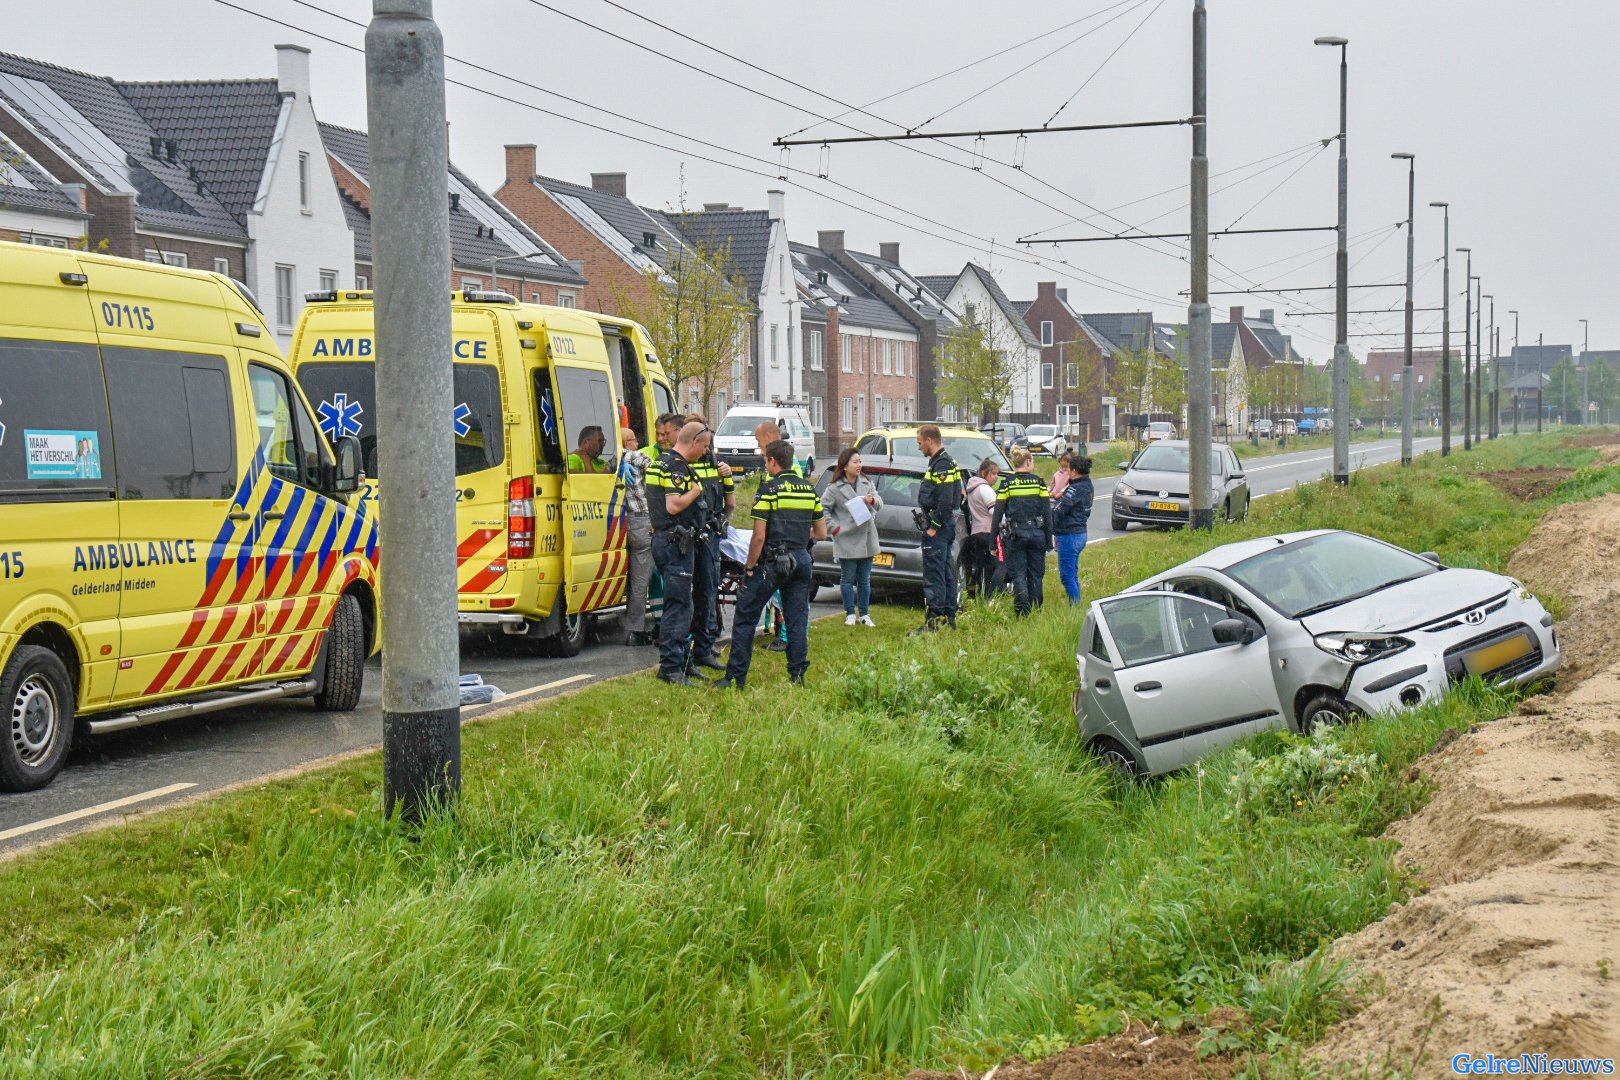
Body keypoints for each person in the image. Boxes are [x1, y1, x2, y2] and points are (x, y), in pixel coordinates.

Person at [713, 439, 826, 690]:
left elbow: (759, 536)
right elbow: (820, 533)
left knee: (745, 617)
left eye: (765, 460)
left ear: (772, 461)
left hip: (772, 563)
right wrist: (796, 535)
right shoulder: (809, 490)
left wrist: (750, 567)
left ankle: (735, 678)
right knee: (797, 619)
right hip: (801, 560)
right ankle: (797, 675)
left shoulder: (769, 491)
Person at [645, 421, 711, 686]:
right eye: (704, 446)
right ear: (693, 441)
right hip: (675, 542)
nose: (705, 452)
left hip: (668, 540)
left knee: (685, 603)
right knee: (679, 605)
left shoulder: (661, 462)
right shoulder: (675, 467)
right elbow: (673, 506)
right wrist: (696, 490)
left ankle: (684, 661)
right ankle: (671, 667)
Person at [686, 415, 734, 676]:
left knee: (706, 593)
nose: (706, 449)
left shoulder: (718, 467)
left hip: (709, 537)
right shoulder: (682, 466)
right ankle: (690, 651)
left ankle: (703, 648)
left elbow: (731, 502)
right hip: (688, 536)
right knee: (688, 596)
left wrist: (721, 524)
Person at [822, 447, 883, 626]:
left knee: (865, 579)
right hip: (846, 537)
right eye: (855, 462)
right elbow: (823, 508)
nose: (858, 465)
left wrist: (872, 501)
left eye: (860, 461)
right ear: (845, 465)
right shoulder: (834, 488)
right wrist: (834, 528)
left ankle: (864, 613)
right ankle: (849, 612)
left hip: (866, 537)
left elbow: (880, 502)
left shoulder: (867, 482)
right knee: (848, 578)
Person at [911, 424, 962, 633]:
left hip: (939, 528)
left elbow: (946, 500)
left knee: (934, 574)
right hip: (945, 525)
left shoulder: (942, 465)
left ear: (930, 441)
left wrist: (934, 526)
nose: (919, 447)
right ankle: (949, 618)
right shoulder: (945, 461)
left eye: (920, 442)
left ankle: (934, 621)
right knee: (946, 571)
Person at [993, 446, 1052, 617]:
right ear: (1028, 462)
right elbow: (1047, 514)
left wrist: (992, 543)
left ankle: (1022, 612)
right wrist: (1049, 540)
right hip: (1037, 535)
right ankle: (1037, 610)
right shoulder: (1039, 482)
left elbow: (997, 516)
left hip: (1016, 536)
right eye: (1032, 461)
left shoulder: (1007, 484)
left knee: (1018, 574)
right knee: (1036, 575)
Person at [618, 426, 655, 645]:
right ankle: (635, 629)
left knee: (632, 576)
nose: (636, 443)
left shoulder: (610, 462)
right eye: (632, 439)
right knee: (641, 579)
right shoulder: (632, 456)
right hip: (642, 521)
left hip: (624, 522)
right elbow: (657, 466)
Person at [1052, 454, 1094, 606]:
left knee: (1067, 577)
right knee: (1073, 575)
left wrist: (1047, 518)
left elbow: (1060, 510)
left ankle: (1075, 608)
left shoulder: (1074, 489)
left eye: (1069, 469)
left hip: (1070, 535)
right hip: (1080, 533)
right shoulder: (1087, 485)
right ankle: (1077, 605)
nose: (1067, 471)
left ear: (1075, 471)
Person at [962, 458, 1000, 599]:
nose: (996, 477)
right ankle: (991, 596)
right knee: (995, 567)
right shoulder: (985, 489)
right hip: (988, 532)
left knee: (981, 567)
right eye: (994, 474)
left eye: (997, 474)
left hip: (976, 532)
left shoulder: (972, 488)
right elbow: (995, 513)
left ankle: (979, 595)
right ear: (984, 473)